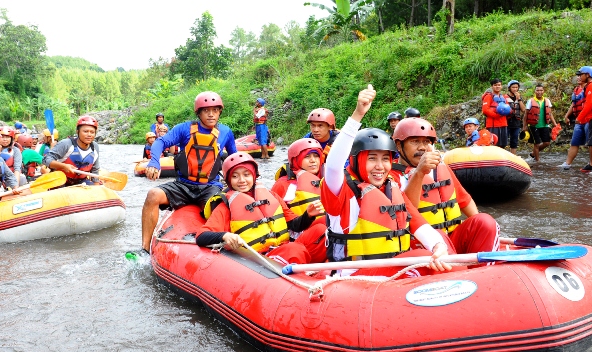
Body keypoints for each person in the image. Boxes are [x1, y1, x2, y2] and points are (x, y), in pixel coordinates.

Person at [320, 85, 452, 275]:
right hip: (354, 279)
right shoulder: (341, 190)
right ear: (356, 160)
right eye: (372, 159)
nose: (380, 167)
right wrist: (357, 115)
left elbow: (416, 221)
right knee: (417, 259)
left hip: (390, 276)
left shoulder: (392, 187)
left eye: (385, 159)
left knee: (432, 249)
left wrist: (437, 246)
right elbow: (332, 166)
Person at [138, 91, 237, 255]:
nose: (211, 114)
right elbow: (161, 142)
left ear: (220, 111)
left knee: (222, 209)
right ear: (198, 113)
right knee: (153, 195)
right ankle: (144, 249)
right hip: (183, 185)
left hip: (210, 187)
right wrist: (154, 161)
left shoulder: (226, 132)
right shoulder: (184, 129)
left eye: (215, 110)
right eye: (206, 110)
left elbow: (234, 159)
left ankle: (225, 247)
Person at [197, 152, 326, 265]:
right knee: (294, 249)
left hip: (283, 249)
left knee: (322, 229)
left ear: (254, 176)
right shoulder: (226, 206)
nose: (242, 180)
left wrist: (308, 215)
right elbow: (201, 236)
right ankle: (303, 276)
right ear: (229, 180)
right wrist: (224, 235)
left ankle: (319, 272)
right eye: (235, 176)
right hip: (260, 260)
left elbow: (294, 225)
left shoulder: (271, 196)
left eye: (246, 174)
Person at [396, 118, 500, 254]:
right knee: (439, 234)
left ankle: (484, 268)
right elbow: (407, 215)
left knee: (484, 221)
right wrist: (420, 173)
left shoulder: (441, 168)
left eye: (426, 141)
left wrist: (481, 231)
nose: (422, 147)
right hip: (424, 244)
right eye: (415, 141)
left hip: (452, 237)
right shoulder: (391, 176)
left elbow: (465, 200)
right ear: (399, 145)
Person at [43, 116, 101, 186]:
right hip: (60, 180)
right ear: (78, 132)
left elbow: (95, 170)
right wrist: (63, 166)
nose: (89, 135)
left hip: (81, 181)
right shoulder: (66, 144)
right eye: (85, 131)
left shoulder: (95, 147)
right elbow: (46, 159)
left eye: (92, 132)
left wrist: (97, 189)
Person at [558, 73, 589, 170]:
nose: (578, 78)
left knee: (591, 143)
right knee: (574, 142)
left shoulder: (590, 88)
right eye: (578, 76)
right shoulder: (577, 89)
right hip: (578, 121)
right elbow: (574, 104)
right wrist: (567, 115)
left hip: (589, 119)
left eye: (581, 76)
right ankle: (567, 163)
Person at [522, 84, 557, 163]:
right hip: (533, 126)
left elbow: (550, 113)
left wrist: (554, 123)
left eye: (541, 90)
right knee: (536, 144)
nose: (539, 92)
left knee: (547, 143)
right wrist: (524, 126)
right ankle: (537, 162)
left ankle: (533, 154)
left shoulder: (547, 100)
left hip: (544, 125)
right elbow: (526, 114)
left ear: (543, 91)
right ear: (535, 91)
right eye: (537, 90)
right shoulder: (530, 101)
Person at [481, 79, 511, 149]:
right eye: (495, 85)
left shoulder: (503, 97)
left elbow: (508, 108)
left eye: (499, 85)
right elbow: (485, 110)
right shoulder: (488, 96)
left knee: (503, 144)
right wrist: (497, 115)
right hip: (492, 124)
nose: (497, 87)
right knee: (493, 144)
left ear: (501, 86)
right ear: (492, 86)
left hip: (503, 123)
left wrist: (509, 111)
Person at [505, 80, 526, 154]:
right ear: (509, 88)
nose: (515, 89)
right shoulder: (505, 97)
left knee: (514, 141)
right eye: (513, 87)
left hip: (516, 122)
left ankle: (513, 156)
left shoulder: (519, 98)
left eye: (516, 87)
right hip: (506, 122)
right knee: (505, 141)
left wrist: (519, 99)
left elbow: (523, 110)